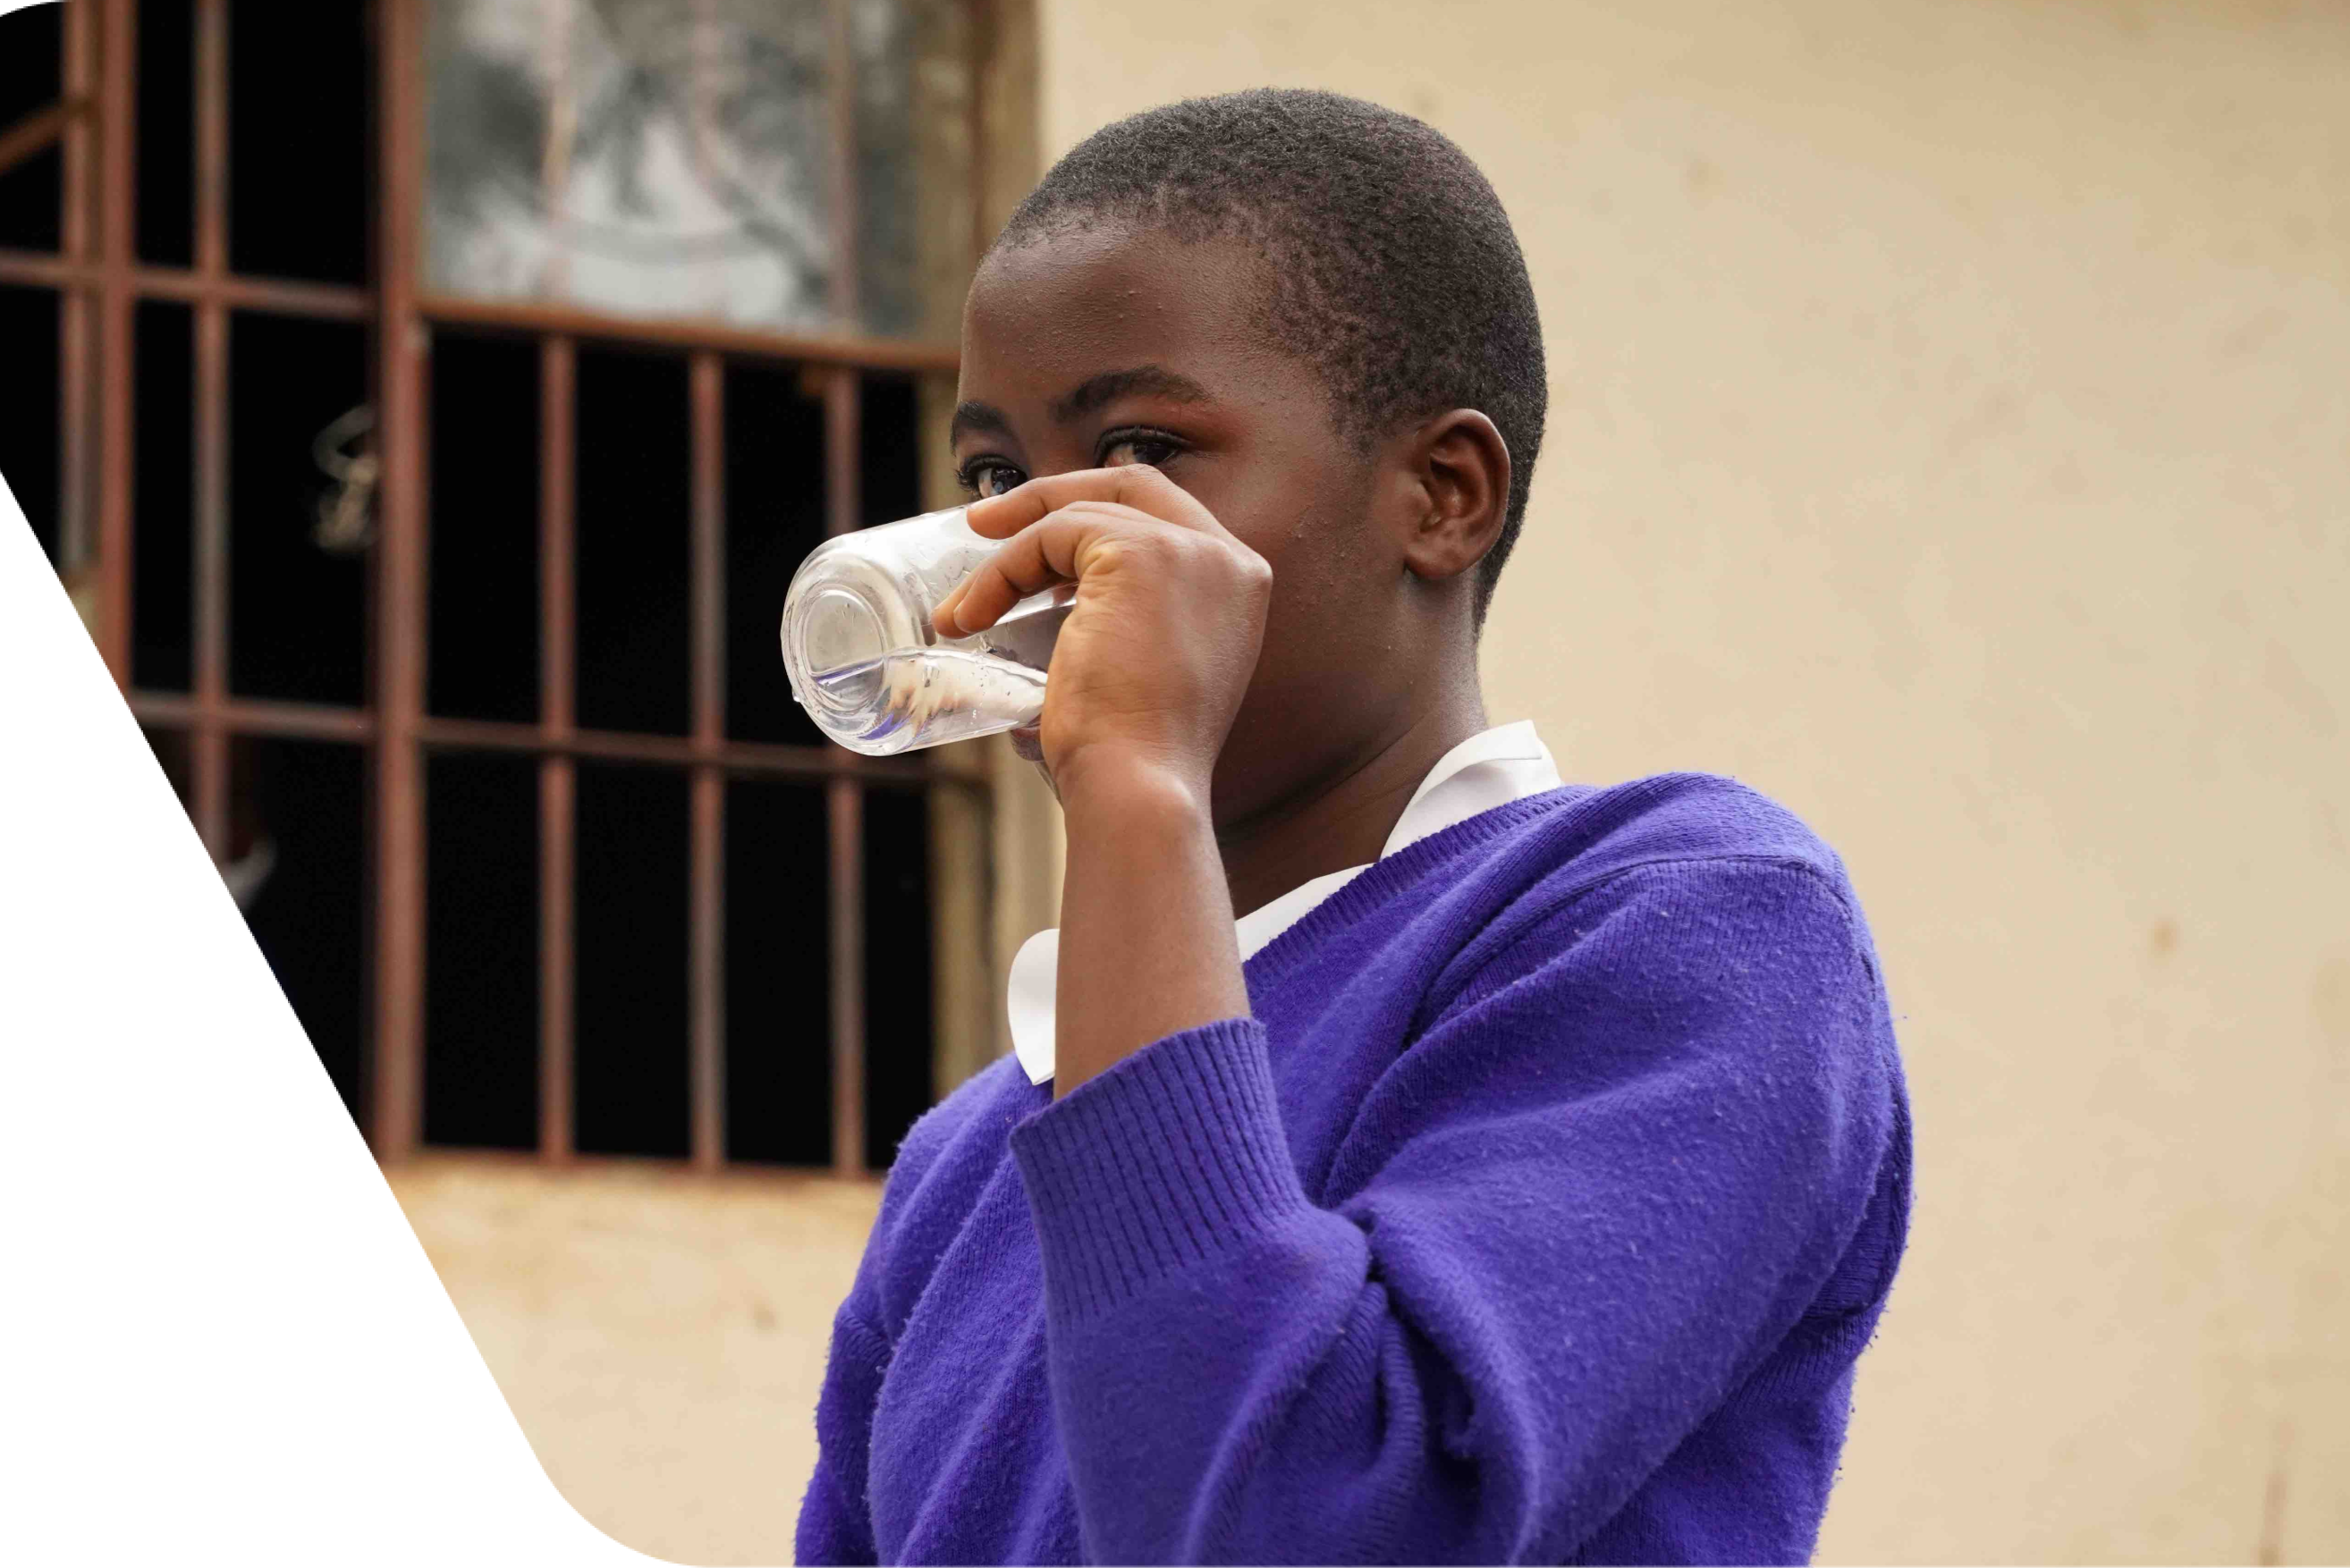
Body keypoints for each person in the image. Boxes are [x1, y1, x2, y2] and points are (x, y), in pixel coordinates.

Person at [797, 88, 1912, 1568]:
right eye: (993, 477)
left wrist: (1136, 782)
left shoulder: (1690, 922)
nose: (1038, 545)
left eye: (1142, 448)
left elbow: (1278, 1522)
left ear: (1441, 497)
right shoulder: (969, 1159)